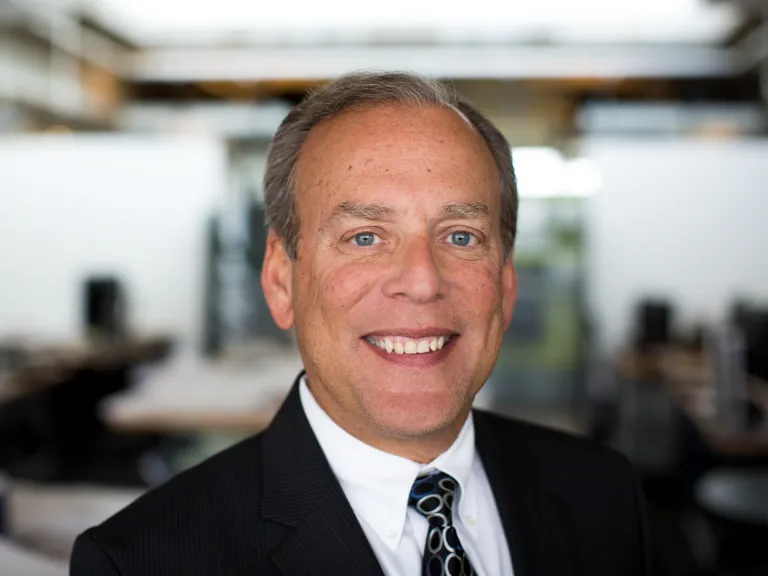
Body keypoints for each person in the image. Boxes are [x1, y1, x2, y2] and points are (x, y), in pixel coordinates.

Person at [71, 72, 654, 576]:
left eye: (460, 237)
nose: (422, 281)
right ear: (281, 282)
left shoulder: (603, 494)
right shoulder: (143, 561)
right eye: (365, 237)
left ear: (504, 285)